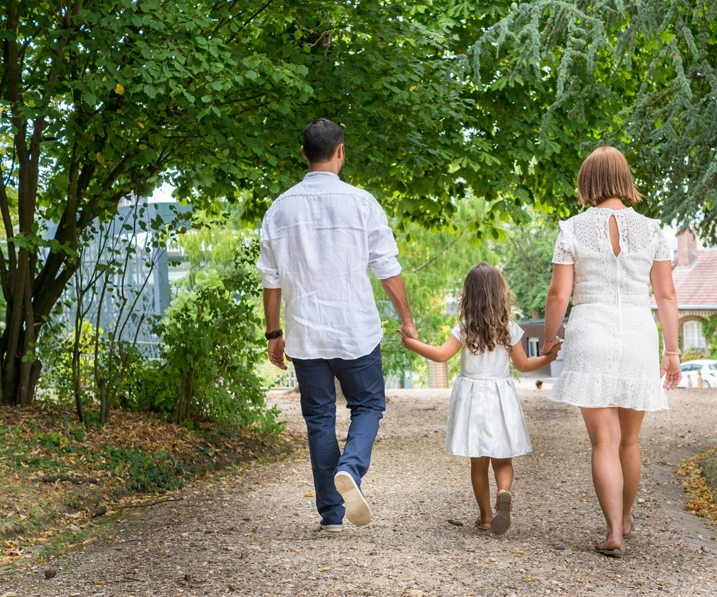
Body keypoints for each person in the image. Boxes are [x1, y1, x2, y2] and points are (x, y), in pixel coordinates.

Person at [258, 118, 418, 532]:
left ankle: (331, 515)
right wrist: (407, 319)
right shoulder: (362, 203)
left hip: (306, 334)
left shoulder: (279, 209)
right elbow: (387, 269)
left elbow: (270, 282)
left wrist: (274, 334)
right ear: (341, 151)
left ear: (303, 155)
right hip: (356, 332)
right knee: (368, 406)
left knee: (319, 419)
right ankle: (351, 467)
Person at [541, 146, 681, 556]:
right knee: (629, 442)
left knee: (604, 441)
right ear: (625, 179)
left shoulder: (571, 230)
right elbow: (667, 295)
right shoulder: (652, 230)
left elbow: (557, 294)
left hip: (591, 331)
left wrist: (550, 339)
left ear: (588, 182)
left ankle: (613, 532)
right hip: (639, 331)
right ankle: (624, 519)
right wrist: (671, 351)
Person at [399, 263, 562, 535]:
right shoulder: (509, 328)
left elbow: (441, 355)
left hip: (472, 399)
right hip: (500, 397)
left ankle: (486, 517)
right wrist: (548, 357)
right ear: (501, 294)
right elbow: (522, 365)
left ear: (468, 295)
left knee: (479, 462)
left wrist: (411, 342)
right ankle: (503, 491)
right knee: (503, 459)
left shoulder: (464, 328)